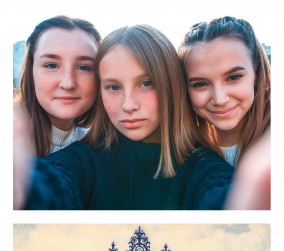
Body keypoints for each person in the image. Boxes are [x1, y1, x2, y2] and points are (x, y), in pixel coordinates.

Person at [14, 24, 234, 210]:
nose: (128, 105)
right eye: (113, 87)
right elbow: (49, 184)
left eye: (146, 83)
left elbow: (227, 201)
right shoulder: (84, 159)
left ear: (171, 86)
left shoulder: (207, 170)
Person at [179, 16, 270, 167]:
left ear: (256, 73)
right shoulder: (183, 156)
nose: (220, 99)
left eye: (234, 77)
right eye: (201, 84)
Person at [15, 15, 101, 156]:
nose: (68, 83)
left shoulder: (101, 148)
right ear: (32, 72)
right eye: (52, 65)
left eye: (84, 67)